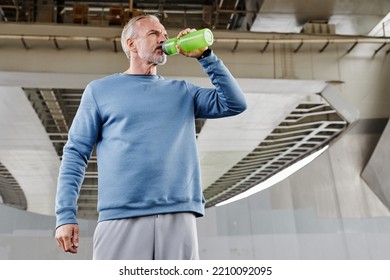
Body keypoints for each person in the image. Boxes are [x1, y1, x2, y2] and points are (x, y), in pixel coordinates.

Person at [55, 14, 247, 260]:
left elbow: (235, 103)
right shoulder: (99, 91)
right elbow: (75, 154)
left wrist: (205, 56)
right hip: (121, 217)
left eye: (165, 34)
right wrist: (65, 215)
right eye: (154, 33)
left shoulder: (183, 91)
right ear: (131, 44)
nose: (163, 38)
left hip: (179, 215)